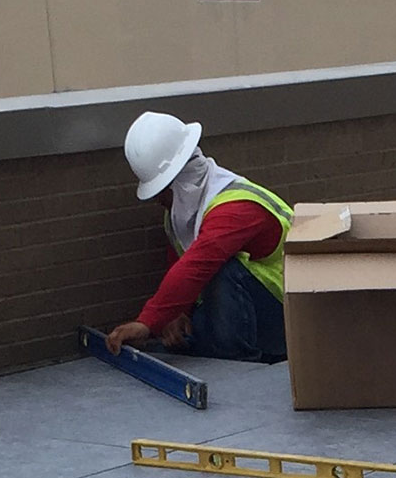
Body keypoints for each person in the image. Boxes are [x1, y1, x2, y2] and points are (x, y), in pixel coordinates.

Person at [106, 111, 293, 363]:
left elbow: (197, 265)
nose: (158, 201)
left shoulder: (235, 208)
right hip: (252, 313)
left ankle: (238, 364)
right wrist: (179, 312)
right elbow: (180, 262)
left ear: (181, 182)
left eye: (161, 192)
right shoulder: (181, 212)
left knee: (223, 269)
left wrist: (147, 322)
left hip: (291, 317)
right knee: (191, 332)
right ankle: (212, 348)